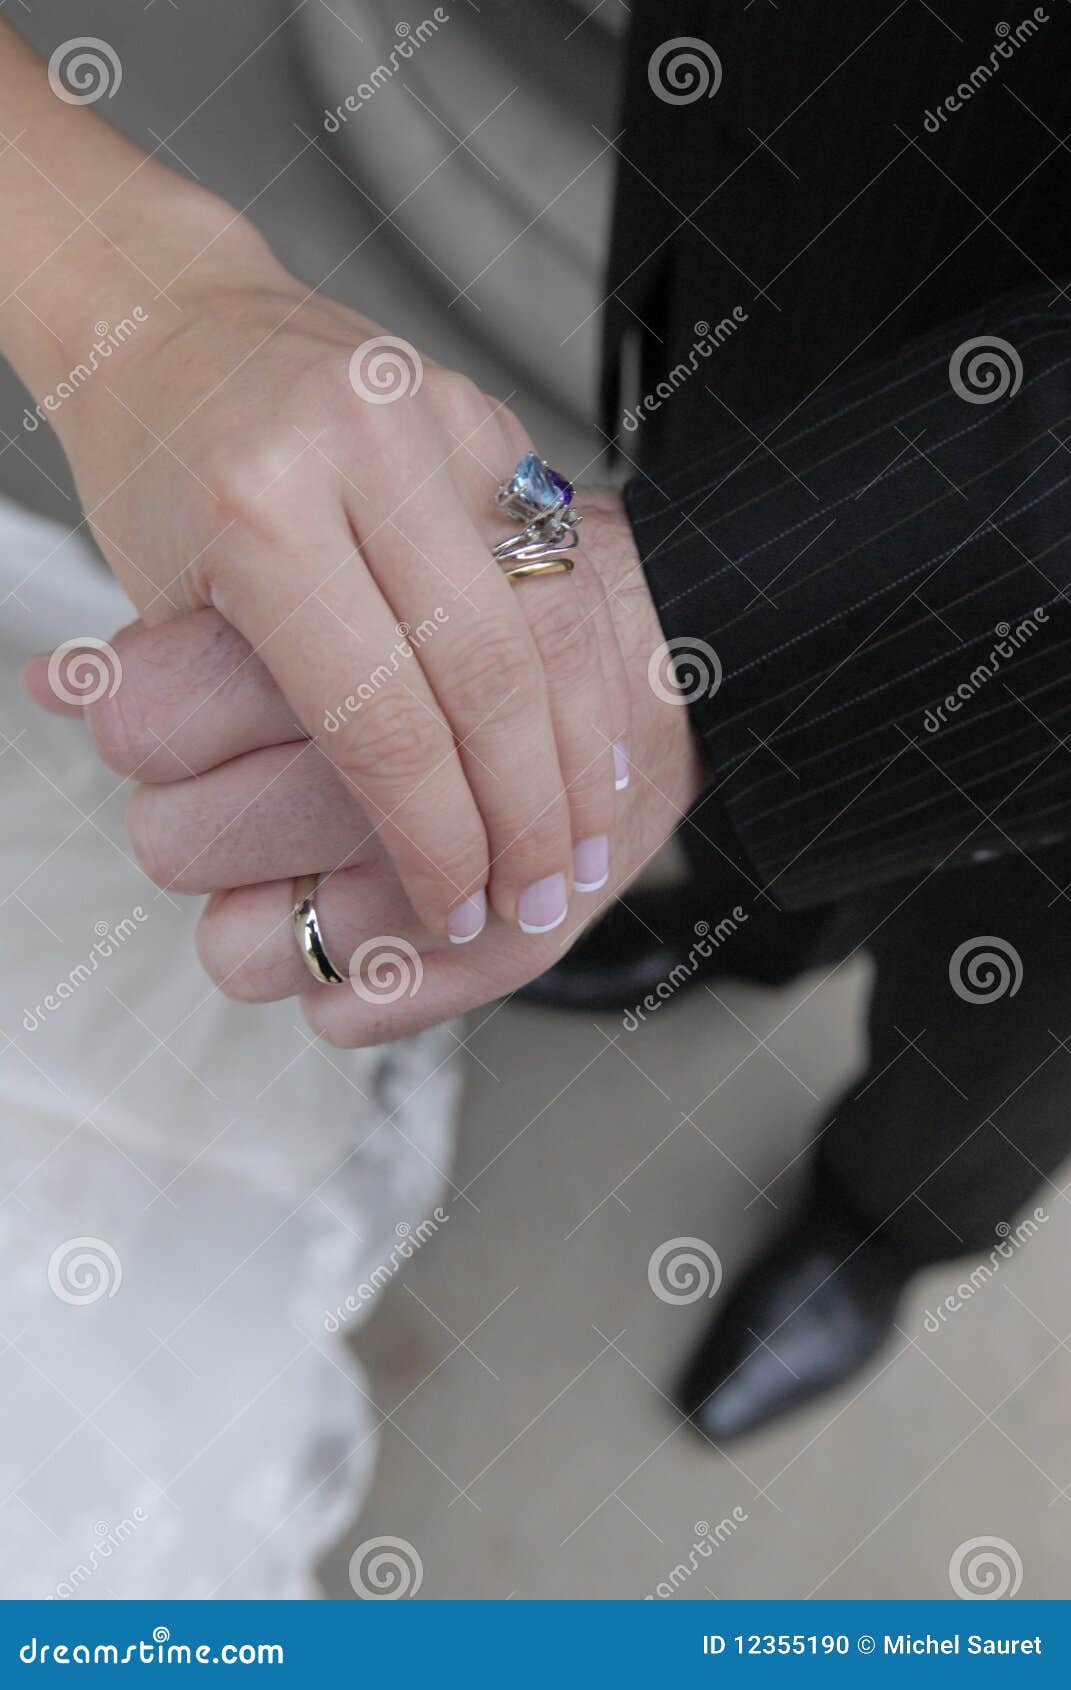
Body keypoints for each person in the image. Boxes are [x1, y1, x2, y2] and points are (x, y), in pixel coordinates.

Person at [8, 0, 1071, 1450]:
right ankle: (750, 924)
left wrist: (689, 634)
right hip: (787, 207)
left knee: (1000, 1020)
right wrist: (140, 296)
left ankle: (887, 1222)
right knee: (704, 805)